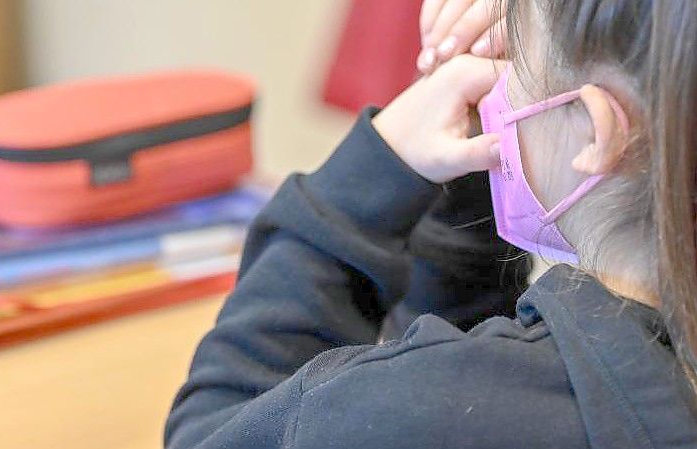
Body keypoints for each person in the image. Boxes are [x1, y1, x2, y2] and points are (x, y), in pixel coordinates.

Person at [164, 1, 697, 448]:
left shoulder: (416, 411)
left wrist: (368, 179)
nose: (499, 93)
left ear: (593, 131)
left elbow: (219, 429)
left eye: (517, 65)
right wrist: (464, 188)